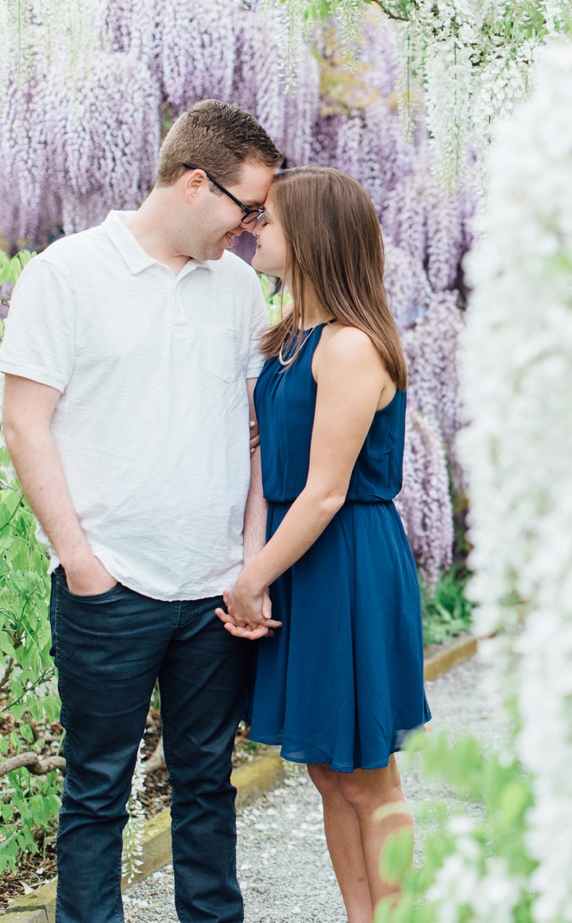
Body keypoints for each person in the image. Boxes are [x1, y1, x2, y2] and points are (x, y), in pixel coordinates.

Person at [0, 100, 281, 923]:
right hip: (110, 584)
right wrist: (82, 562)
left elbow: (257, 436)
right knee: (96, 788)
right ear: (197, 184)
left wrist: (249, 562)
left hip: (213, 591)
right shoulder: (67, 272)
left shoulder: (237, 289)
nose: (254, 228)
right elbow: (24, 422)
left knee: (205, 784)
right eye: (248, 207)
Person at [215, 165, 431, 923]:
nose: (253, 227)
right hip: (300, 561)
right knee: (326, 772)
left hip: (345, 565)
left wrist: (251, 579)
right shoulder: (288, 337)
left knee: (370, 774)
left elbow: (325, 490)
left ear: (311, 237)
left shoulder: (347, 346)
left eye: (267, 219)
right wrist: (259, 562)